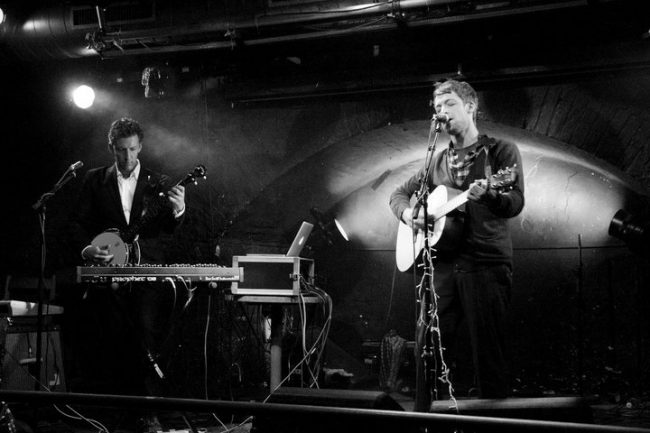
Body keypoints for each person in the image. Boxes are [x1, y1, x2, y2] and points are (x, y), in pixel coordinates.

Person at [389, 79, 524, 410]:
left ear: (471, 107)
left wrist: (490, 194)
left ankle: (492, 423)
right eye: (437, 107)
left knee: (488, 354)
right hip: (443, 265)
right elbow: (398, 194)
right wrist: (409, 215)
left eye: (449, 104)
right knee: (430, 348)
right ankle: (428, 418)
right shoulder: (436, 160)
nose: (441, 112)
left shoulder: (500, 151)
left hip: (484, 262)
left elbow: (515, 202)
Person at [70, 117, 185, 431]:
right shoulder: (95, 180)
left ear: (141, 147)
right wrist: (87, 249)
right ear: (111, 148)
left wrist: (179, 209)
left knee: (145, 336)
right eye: (121, 150)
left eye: (132, 149)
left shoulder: (158, 182)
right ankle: (119, 412)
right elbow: (77, 223)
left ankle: (149, 411)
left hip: (145, 271)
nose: (127, 156)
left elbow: (168, 228)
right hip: (109, 272)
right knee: (114, 339)